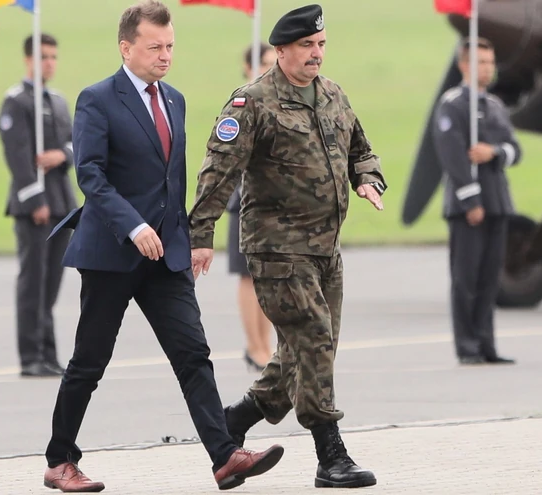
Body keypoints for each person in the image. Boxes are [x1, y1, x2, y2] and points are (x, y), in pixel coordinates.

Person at [41, 1, 283, 492]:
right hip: (112, 254)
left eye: (170, 46)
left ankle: (225, 457)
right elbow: (91, 175)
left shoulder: (174, 100)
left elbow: (175, 181)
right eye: (155, 47)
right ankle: (60, 460)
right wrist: (133, 227)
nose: (165, 55)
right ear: (126, 48)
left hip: (167, 256)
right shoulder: (96, 99)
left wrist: (194, 239)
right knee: (90, 362)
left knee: (193, 354)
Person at [188, 4, 385, 489]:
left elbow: (361, 149)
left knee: (307, 349)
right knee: (314, 338)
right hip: (278, 248)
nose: (316, 54)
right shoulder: (252, 103)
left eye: (321, 45)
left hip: (325, 249)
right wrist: (200, 236)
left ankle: (234, 422)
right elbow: (218, 171)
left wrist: (367, 178)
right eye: (306, 46)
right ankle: (330, 455)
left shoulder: (332, 94)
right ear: (281, 51)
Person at [431, 37, 521, 366]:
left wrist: (493, 152)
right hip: (468, 206)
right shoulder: (453, 105)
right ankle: (467, 346)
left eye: (490, 62)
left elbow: (515, 150)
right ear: (464, 65)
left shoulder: (494, 105)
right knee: (466, 278)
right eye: (480, 62)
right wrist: (471, 201)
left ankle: (486, 344)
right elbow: (452, 157)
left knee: (489, 279)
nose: (487, 68)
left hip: (497, 202)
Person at [0, 33, 77, 378]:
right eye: (43, 56)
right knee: (33, 283)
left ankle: (49, 353)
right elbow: (17, 156)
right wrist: (35, 200)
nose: (49, 63)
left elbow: (76, 143)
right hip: (35, 206)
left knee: (51, 284)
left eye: (53, 57)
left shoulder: (57, 101)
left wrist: (62, 155)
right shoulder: (16, 102)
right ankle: (31, 355)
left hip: (60, 203)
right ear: (29, 59)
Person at [227, 42, 278, 372]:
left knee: (270, 277)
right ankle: (254, 346)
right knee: (248, 276)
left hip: (275, 203)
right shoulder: (241, 103)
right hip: (246, 201)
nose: (268, 70)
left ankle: (267, 346)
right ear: (248, 68)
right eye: (262, 63)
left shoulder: (281, 102)